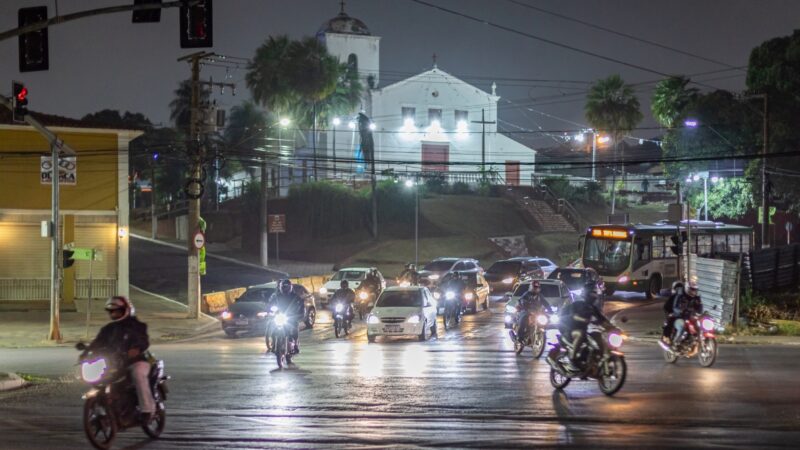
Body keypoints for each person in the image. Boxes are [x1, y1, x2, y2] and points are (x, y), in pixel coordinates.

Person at [89, 296, 155, 422]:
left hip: (136, 361)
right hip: (115, 364)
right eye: (111, 311)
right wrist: (86, 353)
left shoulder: (137, 326)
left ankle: (147, 410)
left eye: (117, 311)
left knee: (138, 374)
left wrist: (136, 348)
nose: (114, 314)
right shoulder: (108, 329)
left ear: (126, 310)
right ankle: (107, 407)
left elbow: (143, 340)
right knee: (99, 378)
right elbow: (97, 343)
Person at [557, 281, 613, 367]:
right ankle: (573, 358)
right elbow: (574, 316)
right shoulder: (578, 304)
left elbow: (602, 320)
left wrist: (613, 328)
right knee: (581, 334)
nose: (594, 295)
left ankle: (598, 357)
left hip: (582, 330)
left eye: (595, 293)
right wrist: (585, 320)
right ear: (587, 293)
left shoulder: (592, 307)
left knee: (597, 334)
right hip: (569, 330)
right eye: (592, 293)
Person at [267, 279, 306, 355]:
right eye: (283, 287)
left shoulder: (295, 297)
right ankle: (274, 344)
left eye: (286, 287)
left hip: (291, 317)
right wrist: (269, 310)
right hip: (279, 316)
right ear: (280, 287)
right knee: (273, 331)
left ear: (290, 287)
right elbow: (270, 304)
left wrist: (300, 313)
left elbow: (301, 306)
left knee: (294, 329)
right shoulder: (276, 296)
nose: (285, 288)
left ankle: (295, 344)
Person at [671, 282, 703, 347]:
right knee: (683, 326)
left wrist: (700, 310)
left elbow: (699, 308)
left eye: (695, 290)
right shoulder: (680, 296)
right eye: (692, 289)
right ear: (687, 289)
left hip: (690, 317)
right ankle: (675, 343)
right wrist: (681, 311)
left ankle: (697, 340)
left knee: (699, 326)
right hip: (679, 317)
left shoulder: (696, 298)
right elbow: (674, 308)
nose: (694, 292)